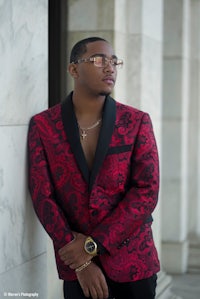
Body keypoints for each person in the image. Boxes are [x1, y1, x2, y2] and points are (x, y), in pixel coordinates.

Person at [28, 37, 160, 299]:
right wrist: (81, 261)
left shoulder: (136, 121)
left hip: (134, 263)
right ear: (74, 70)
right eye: (99, 59)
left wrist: (91, 245)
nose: (110, 67)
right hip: (78, 269)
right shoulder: (43, 126)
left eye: (114, 61)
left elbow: (147, 191)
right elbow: (42, 196)